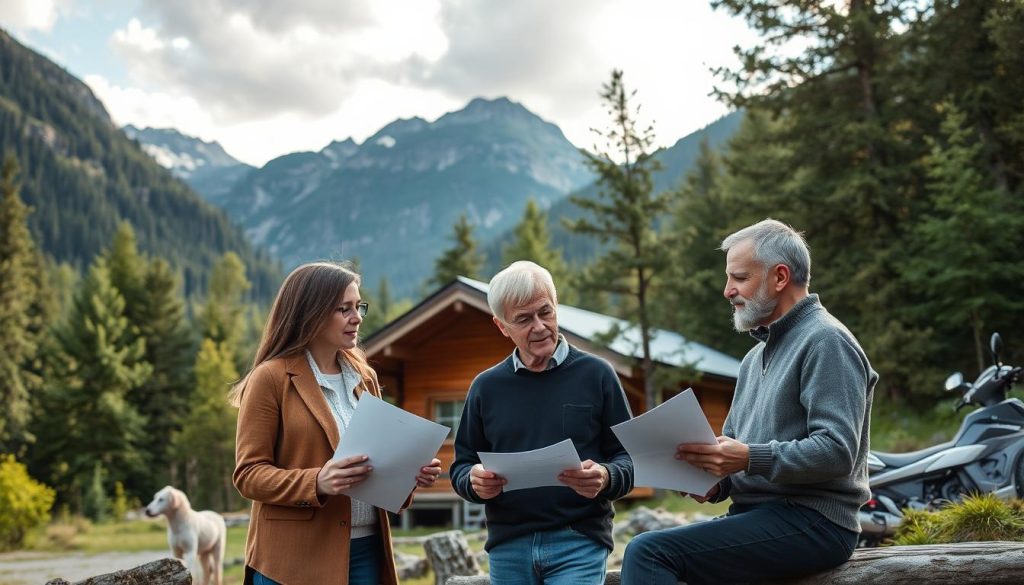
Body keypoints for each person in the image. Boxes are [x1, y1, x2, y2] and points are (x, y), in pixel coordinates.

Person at [620, 219, 877, 584]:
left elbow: (837, 452)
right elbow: (738, 455)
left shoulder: (826, 341)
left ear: (780, 277)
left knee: (648, 551)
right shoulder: (753, 359)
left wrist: (748, 457)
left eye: (739, 277)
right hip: (760, 516)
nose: (728, 291)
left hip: (816, 521)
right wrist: (713, 482)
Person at [231, 261, 442, 585]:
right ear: (311, 313)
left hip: (366, 551)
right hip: (292, 561)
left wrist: (409, 474)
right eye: (344, 309)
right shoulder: (270, 378)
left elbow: (374, 465)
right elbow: (249, 475)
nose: (357, 317)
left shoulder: (365, 377)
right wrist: (317, 482)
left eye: (358, 307)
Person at [450, 260, 635, 585]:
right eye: (523, 319)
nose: (539, 326)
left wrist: (605, 476)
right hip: (507, 545)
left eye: (545, 312)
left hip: (579, 540)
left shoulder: (597, 374)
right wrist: (474, 481)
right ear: (502, 326)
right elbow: (462, 466)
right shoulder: (486, 387)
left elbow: (631, 459)